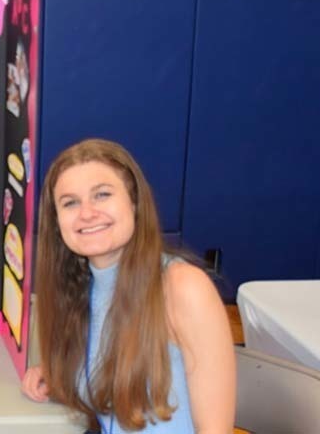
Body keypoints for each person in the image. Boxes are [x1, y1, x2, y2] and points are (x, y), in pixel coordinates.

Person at [21, 139, 235, 433]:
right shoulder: (81, 288)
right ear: (57, 222)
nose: (87, 213)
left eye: (102, 195)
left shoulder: (183, 287)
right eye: (70, 203)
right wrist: (60, 374)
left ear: (134, 204)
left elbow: (216, 429)